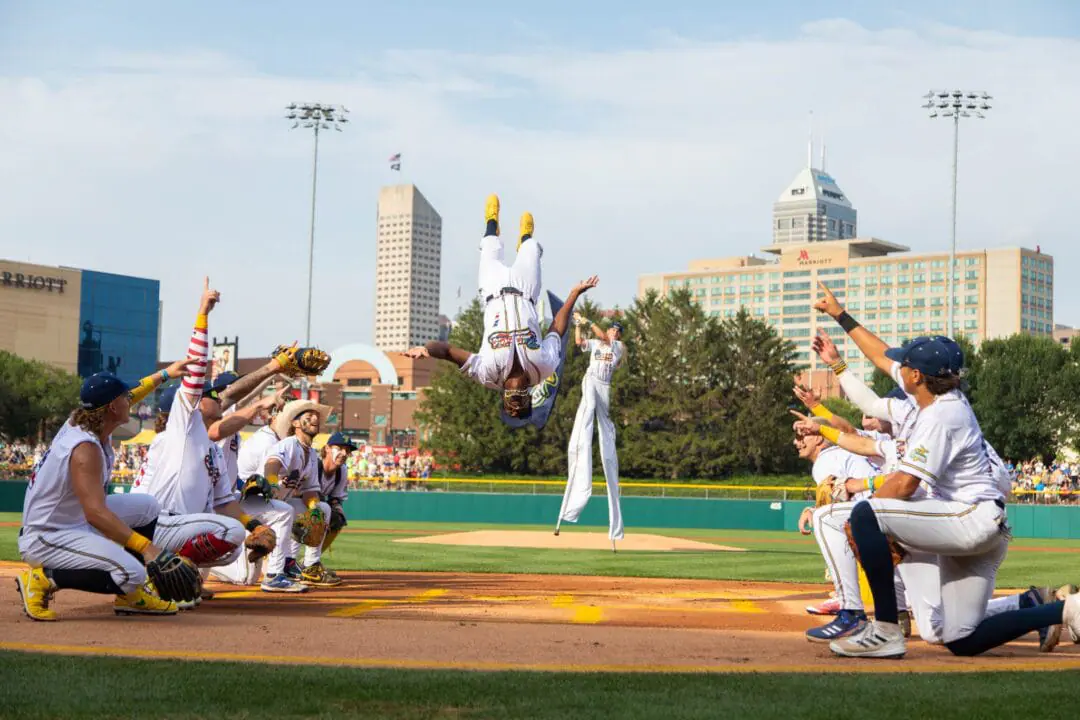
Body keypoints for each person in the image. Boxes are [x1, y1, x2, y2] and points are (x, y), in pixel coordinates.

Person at [811, 286, 1080, 658]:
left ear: (917, 376)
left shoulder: (941, 415)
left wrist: (864, 522)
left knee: (865, 513)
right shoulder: (932, 398)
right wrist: (841, 315)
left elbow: (904, 486)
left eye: (904, 364)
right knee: (958, 637)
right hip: (977, 523)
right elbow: (879, 354)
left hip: (969, 520)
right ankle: (1065, 610)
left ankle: (886, 630)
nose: (897, 366)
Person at [132, 279, 272, 604]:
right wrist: (202, 314)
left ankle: (175, 576)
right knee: (229, 532)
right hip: (157, 522)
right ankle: (160, 574)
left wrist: (255, 526)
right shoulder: (183, 427)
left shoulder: (210, 447)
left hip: (176, 525)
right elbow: (194, 373)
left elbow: (225, 502)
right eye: (210, 394)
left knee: (234, 535)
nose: (216, 396)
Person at [16, 362, 191, 621]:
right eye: (123, 397)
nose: (129, 400)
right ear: (112, 407)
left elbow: (134, 391)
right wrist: (147, 548)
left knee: (147, 507)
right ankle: (43, 578)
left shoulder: (86, 421)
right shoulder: (84, 448)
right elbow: (95, 513)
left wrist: (165, 374)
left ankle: (130, 597)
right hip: (49, 534)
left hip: (70, 520)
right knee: (134, 573)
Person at [405, 194, 598, 421]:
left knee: (490, 243)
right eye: (520, 408)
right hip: (526, 291)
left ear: (504, 399)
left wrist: (427, 350)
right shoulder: (543, 368)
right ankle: (524, 237)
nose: (515, 408)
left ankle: (492, 223)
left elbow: (447, 351)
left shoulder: (487, 374)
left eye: (511, 410)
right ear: (529, 397)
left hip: (492, 289)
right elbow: (556, 329)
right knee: (532, 246)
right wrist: (574, 294)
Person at [559, 314, 625, 540]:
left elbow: (603, 337)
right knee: (587, 409)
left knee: (605, 423)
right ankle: (582, 435)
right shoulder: (598, 342)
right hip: (591, 379)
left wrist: (587, 320)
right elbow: (579, 343)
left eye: (617, 331)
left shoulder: (617, 346)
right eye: (613, 329)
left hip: (604, 384)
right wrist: (578, 326)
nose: (614, 332)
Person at [263, 400, 335, 588]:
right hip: (262, 502)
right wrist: (272, 485)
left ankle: (306, 565)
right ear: (295, 424)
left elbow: (310, 490)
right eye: (308, 416)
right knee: (243, 577)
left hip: (281, 505)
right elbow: (271, 464)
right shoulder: (289, 444)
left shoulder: (311, 453)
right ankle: (273, 574)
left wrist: (313, 509)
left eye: (316, 417)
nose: (314, 419)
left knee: (323, 508)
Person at [313, 432, 358, 582]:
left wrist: (337, 512)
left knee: (337, 519)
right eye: (339, 448)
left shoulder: (342, 471)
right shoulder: (314, 465)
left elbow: (336, 498)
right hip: (296, 506)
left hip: (316, 507)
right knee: (320, 512)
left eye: (347, 450)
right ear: (327, 449)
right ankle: (289, 562)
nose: (344, 453)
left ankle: (311, 563)